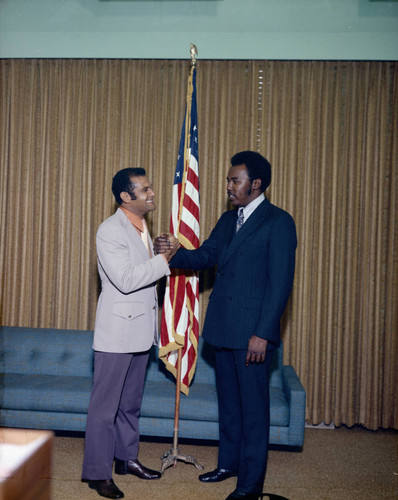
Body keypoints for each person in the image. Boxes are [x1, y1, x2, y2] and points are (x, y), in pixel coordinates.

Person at [155, 151, 297, 500]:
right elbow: (205, 256)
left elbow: (280, 285)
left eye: (236, 180)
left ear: (256, 184)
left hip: (252, 335)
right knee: (230, 406)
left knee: (253, 411)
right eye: (230, 180)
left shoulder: (278, 222)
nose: (229, 186)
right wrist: (173, 252)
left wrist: (262, 333)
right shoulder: (227, 219)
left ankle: (250, 485)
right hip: (223, 329)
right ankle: (229, 464)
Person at [82, 168, 180, 499]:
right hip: (117, 332)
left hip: (139, 332)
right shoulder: (110, 230)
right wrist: (165, 258)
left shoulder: (140, 229)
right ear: (126, 197)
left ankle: (126, 459)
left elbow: (141, 270)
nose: (152, 193)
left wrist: (155, 251)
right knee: (104, 407)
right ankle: (97, 473)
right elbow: (125, 280)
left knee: (130, 405)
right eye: (145, 189)